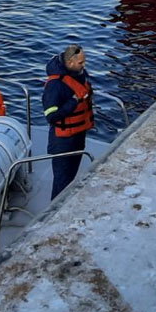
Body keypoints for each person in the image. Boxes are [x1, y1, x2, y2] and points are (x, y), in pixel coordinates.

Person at [42, 44, 94, 199]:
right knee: (61, 182)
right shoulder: (55, 85)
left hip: (78, 136)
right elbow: (51, 115)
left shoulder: (79, 75)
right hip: (62, 142)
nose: (84, 66)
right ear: (70, 62)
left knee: (71, 178)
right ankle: (53, 214)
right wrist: (74, 101)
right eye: (81, 63)